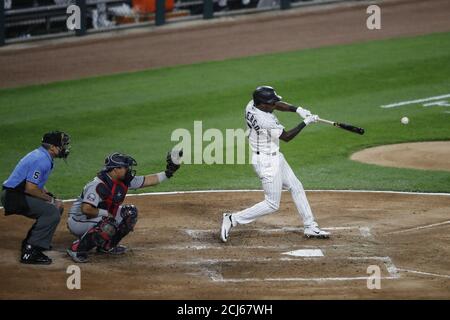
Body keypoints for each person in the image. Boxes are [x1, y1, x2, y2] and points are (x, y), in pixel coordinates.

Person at [220, 86, 330, 242]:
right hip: (266, 162)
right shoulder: (264, 120)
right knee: (272, 204)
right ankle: (232, 219)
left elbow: (277, 104)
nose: (274, 105)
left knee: (296, 186)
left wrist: (297, 109)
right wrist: (306, 121)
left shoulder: (252, 104)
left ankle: (310, 225)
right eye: (270, 103)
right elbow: (286, 137)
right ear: (262, 105)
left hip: (275, 156)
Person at [66, 150, 182, 263]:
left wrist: (169, 172)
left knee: (130, 213)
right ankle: (76, 249)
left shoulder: (123, 180)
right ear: (115, 169)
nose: (128, 170)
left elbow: (147, 180)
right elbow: (86, 209)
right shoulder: (98, 185)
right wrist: (106, 214)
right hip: (79, 221)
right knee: (108, 224)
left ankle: (107, 246)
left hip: (98, 218)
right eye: (125, 167)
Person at [1, 131, 70, 264]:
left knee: (57, 207)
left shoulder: (42, 155)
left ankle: (39, 242)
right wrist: (51, 200)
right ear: (52, 147)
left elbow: (36, 184)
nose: (64, 148)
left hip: (19, 193)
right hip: (14, 196)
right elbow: (30, 188)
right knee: (51, 212)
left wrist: (51, 197)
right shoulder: (41, 160)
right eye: (62, 145)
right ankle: (30, 251)